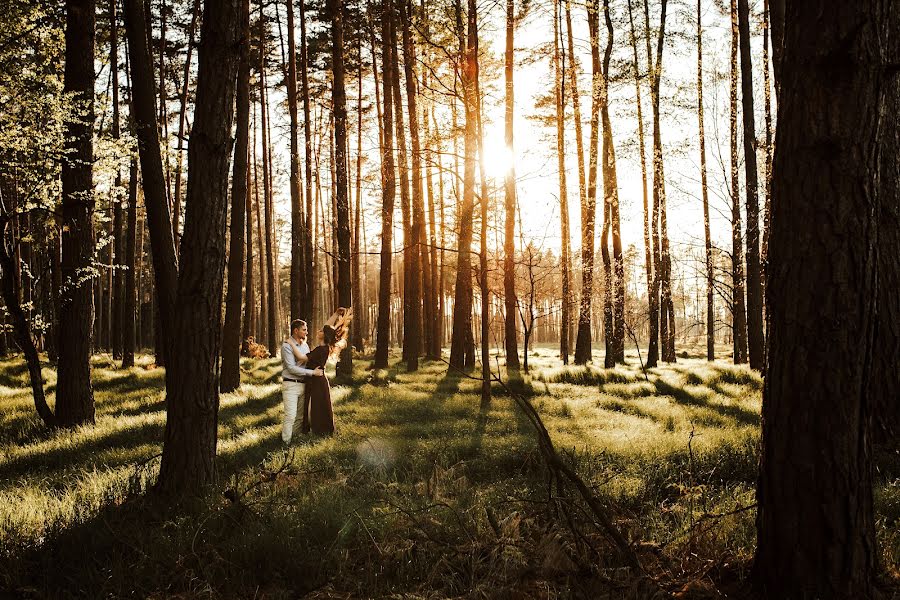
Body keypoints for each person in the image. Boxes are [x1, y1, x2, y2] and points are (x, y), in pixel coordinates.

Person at [286, 308, 352, 435]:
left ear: (324, 335)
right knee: (315, 406)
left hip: (317, 381)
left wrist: (291, 344)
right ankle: (314, 430)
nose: (318, 330)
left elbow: (302, 358)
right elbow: (327, 326)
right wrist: (336, 314)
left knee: (315, 407)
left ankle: (317, 431)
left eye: (321, 331)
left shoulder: (320, 350)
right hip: (316, 380)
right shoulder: (323, 347)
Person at [281, 319, 323, 444]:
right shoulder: (286, 346)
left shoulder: (305, 346)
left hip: (304, 385)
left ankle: (295, 439)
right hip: (290, 384)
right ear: (296, 330)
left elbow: (306, 362)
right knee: (290, 416)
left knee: (300, 417)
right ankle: (285, 443)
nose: (307, 332)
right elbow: (291, 368)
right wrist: (312, 373)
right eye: (304, 330)